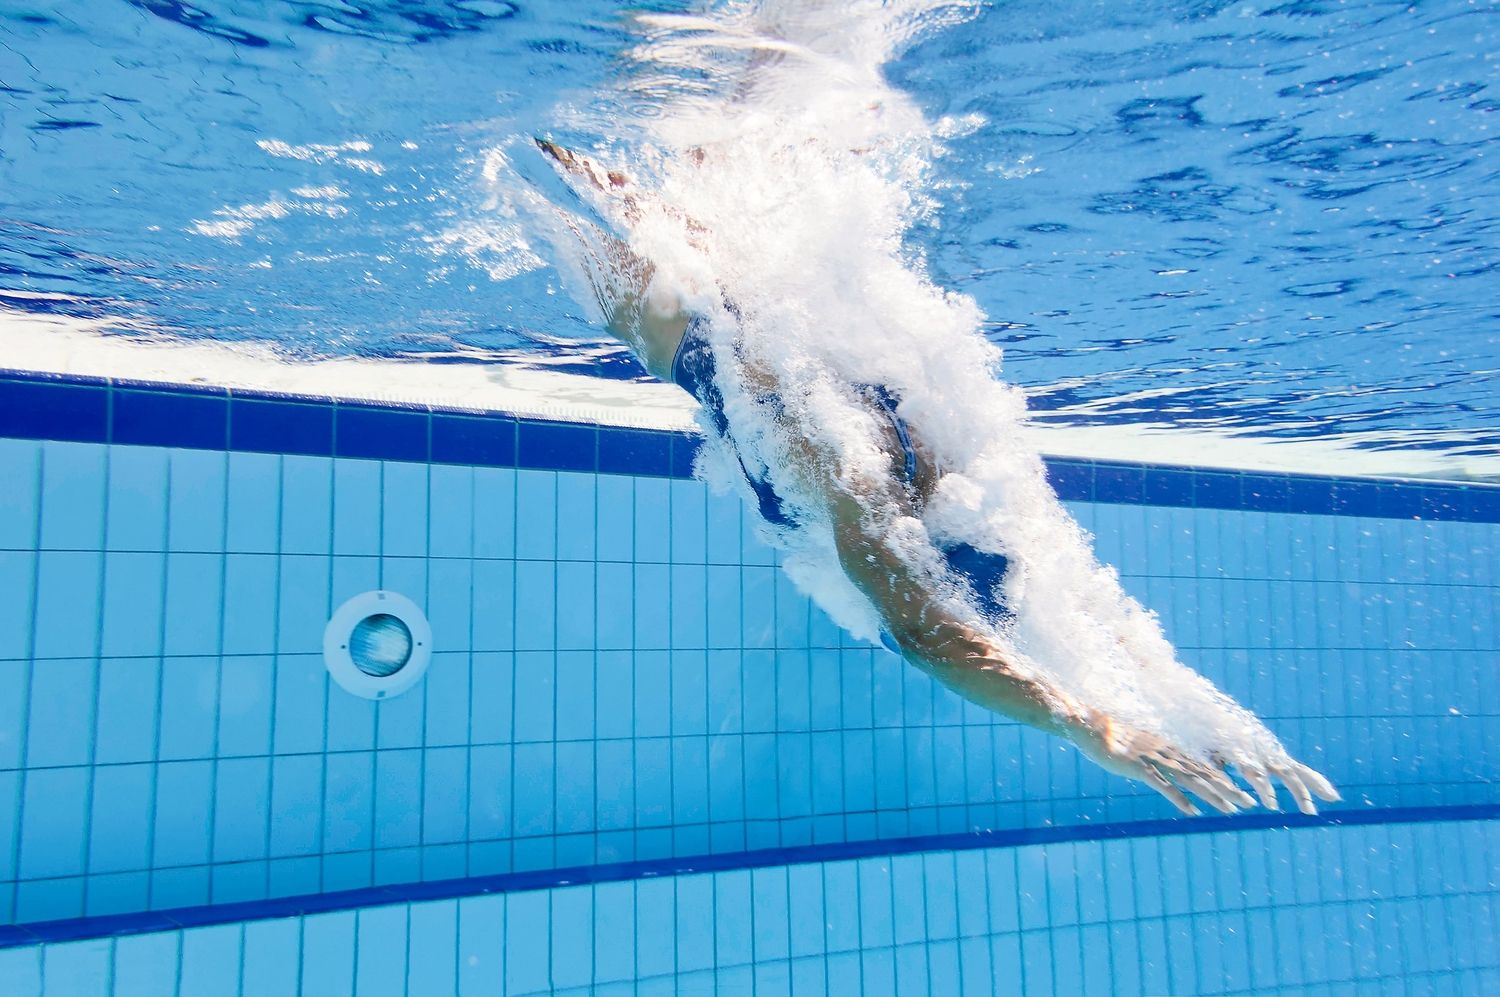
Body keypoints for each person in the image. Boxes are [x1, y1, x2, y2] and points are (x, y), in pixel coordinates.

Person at [536, 139, 1339, 818]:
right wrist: (1202, 715)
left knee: (539, 189)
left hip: (682, 339)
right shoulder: (947, 455)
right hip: (754, 346)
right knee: (666, 199)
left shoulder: (850, 477)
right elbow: (1095, 611)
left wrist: (1094, 728)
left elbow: (929, 636)